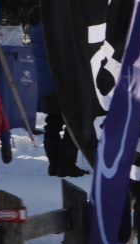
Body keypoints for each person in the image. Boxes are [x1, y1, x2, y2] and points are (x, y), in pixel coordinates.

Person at [27, 4, 88, 178]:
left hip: (46, 82)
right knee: (74, 123)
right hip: (62, 81)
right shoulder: (52, 22)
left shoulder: (36, 21)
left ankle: (54, 165)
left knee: (52, 123)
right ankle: (67, 165)